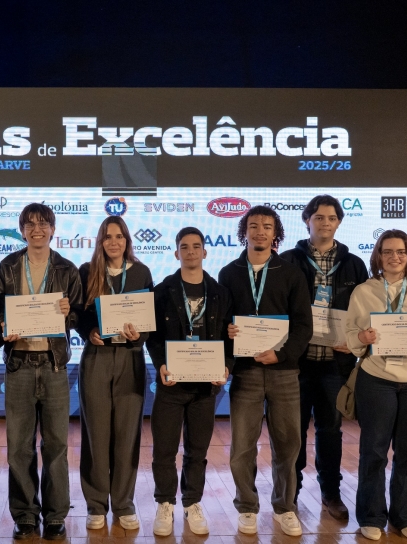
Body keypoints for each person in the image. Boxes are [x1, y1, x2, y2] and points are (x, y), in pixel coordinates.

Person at [344, 229, 407, 541]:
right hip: (377, 379)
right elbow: (351, 335)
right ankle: (372, 516)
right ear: (378, 256)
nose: (394, 257)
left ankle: (406, 516)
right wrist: (362, 338)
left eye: (400, 251)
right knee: (373, 450)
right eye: (387, 251)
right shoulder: (363, 291)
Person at [218, 206, 313, 537]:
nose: (260, 231)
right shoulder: (228, 273)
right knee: (242, 446)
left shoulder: (290, 273)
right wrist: (228, 332)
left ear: (276, 233)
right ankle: (246, 506)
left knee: (287, 445)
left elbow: (303, 325)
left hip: (284, 372)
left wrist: (283, 354)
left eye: (267, 226)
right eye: (254, 225)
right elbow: (221, 322)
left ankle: (284, 507)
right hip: (245, 372)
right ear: (245, 230)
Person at [0, 203, 83, 541]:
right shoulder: (8, 266)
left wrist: (67, 313)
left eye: (43, 223)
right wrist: (4, 325)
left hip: (54, 363)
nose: (37, 229)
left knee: (57, 444)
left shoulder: (67, 268)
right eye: (29, 224)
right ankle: (25, 514)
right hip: (18, 364)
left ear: (53, 229)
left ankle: (56, 514)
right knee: (18, 446)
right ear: (22, 230)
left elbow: (76, 316)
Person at [280, 195, 369, 520]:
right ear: (307, 220)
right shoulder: (288, 260)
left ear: (339, 222)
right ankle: (291, 493)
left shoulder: (354, 264)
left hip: (336, 364)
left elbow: (365, 313)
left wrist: (355, 339)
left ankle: (331, 494)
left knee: (331, 431)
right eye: (319, 217)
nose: (325, 222)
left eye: (331, 218)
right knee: (294, 431)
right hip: (297, 363)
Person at [146, 227, 232, 537]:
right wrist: (161, 363)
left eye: (197, 246)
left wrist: (226, 367)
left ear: (205, 252)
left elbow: (229, 337)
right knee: (164, 451)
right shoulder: (162, 290)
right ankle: (164, 503)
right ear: (176, 253)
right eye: (185, 246)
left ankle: (192, 502)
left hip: (205, 388)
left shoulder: (221, 293)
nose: (191, 251)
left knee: (198, 451)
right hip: (171, 386)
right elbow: (153, 336)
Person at [76, 217, 153, 532]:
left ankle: (123, 504)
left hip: (130, 359)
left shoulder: (141, 272)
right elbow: (78, 316)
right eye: (107, 237)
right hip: (96, 358)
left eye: (119, 236)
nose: (113, 242)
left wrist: (138, 336)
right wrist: (89, 331)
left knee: (126, 436)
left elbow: (147, 321)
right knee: (96, 435)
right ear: (100, 241)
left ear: (127, 240)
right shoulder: (86, 271)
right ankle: (96, 505)